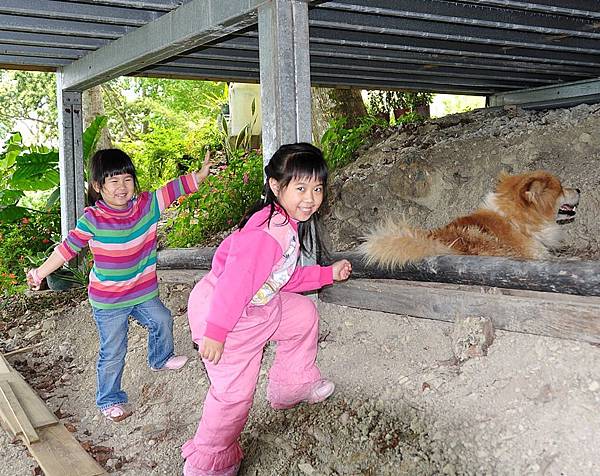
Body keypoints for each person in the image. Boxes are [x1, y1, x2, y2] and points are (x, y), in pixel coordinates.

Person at [182, 142, 352, 476]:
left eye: (317, 188)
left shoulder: (286, 221)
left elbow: (280, 278)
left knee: (302, 315)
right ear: (276, 186)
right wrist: (215, 333)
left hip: (259, 307)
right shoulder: (265, 235)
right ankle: (208, 462)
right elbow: (235, 285)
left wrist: (326, 274)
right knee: (233, 397)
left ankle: (292, 386)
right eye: (300, 187)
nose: (311, 198)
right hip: (227, 316)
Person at [26, 148, 212, 422]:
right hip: (109, 301)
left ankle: (160, 358)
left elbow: (173, 189)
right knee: (114, 350)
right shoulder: (93, 219)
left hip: (142, 291)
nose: (122, 186)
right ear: (98, 187)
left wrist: (199, 176)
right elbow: (67, 250)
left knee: (162, 319)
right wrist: (40, 273)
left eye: (127, 179)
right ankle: (109, 399)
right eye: (113, 181)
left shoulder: (147, 206)